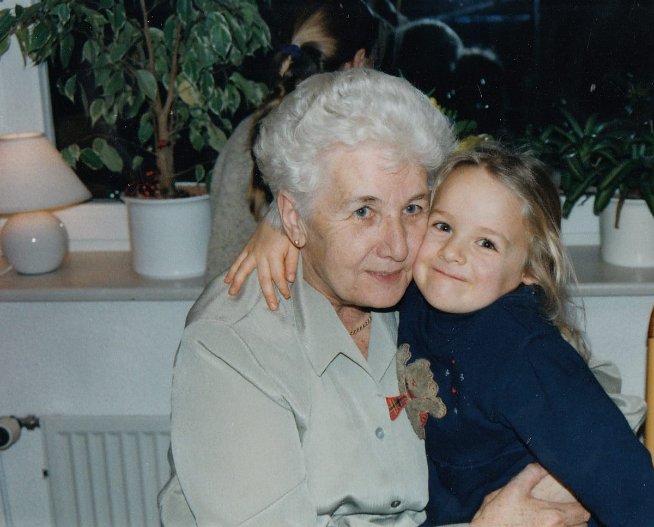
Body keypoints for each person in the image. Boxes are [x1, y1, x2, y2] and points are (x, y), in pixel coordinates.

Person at [159, 69, 592, 526]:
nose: (398, 247)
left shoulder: (430, 288)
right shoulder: (230, 345)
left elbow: (571, 377)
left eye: (413, 209)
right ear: (294, 217)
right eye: (364, 211)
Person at [399, 142, 654, 525]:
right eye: (443, 226)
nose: (452, 252)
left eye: (486, 243)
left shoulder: (525, 352)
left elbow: (625, 478)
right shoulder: (410, 299)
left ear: (530, 269)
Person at [205, 0, 391, 280]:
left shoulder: (248, 130)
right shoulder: (349, 144)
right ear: (360, 61)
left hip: (231, 294)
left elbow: (221, 252)